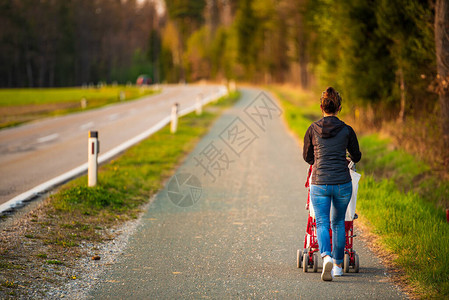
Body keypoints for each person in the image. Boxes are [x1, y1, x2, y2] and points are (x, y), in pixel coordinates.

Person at [303, 87, 362, 281]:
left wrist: (318, 160)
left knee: (321, 221)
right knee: (338, 222)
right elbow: (357, 156)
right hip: (342, 183)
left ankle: (325, 256)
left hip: (320, 182)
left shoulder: (312, 129)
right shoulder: (347, 130)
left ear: (321, 106)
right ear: (339, 107)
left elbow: (307, 157)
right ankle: (337, 266)